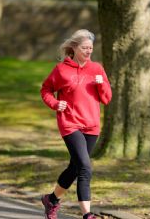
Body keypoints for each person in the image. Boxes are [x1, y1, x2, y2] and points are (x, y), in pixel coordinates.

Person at [40, 29, 112, 219]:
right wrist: (55, 103)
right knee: (85, 167)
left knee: (75, 167)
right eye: (85, 48)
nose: (89, 51)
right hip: (70, 124)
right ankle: (87, 215)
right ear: (74, 48)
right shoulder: (61, 70)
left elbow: (106, 99)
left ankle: (52, 200)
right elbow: (46, 90)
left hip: (92, 126)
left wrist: (101, 84)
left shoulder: (97, 69)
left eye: (91, 48)